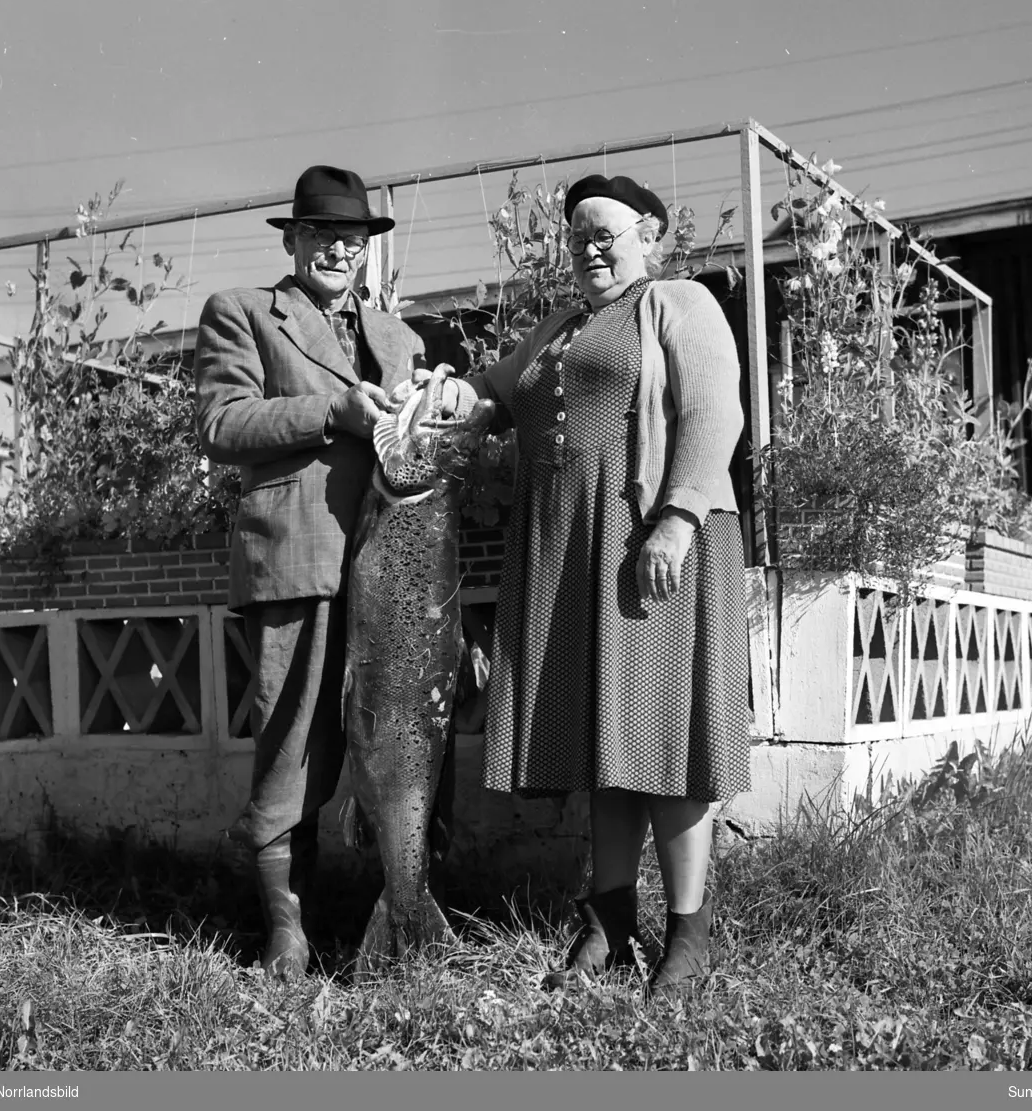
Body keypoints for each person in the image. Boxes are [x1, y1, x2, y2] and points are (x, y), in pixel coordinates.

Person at [439, 174, 753, 995]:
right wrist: (448, 394)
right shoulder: (560, 325)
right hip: (575, 554)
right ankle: (610, 923)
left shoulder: (680, 301)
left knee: (662, 741)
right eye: (577, 234)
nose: (589, 246)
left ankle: (689, 933)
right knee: (606, 745)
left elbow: (718, 415)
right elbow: (496, 392)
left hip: (652, 543)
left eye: (606, 232)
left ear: (650, 231)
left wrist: (678, 521)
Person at [194, 165, 426, 979]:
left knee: (394, 747)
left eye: (352, 240)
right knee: (294, 744)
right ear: (291, 239)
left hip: (393, 571)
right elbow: (222, 423)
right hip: (298, 560)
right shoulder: (245, 313)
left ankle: (398, 916)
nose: (338, 250)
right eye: (322, 235)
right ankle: (287, 934)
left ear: (368, 251)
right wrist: (333, 410)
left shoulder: (398, 335)